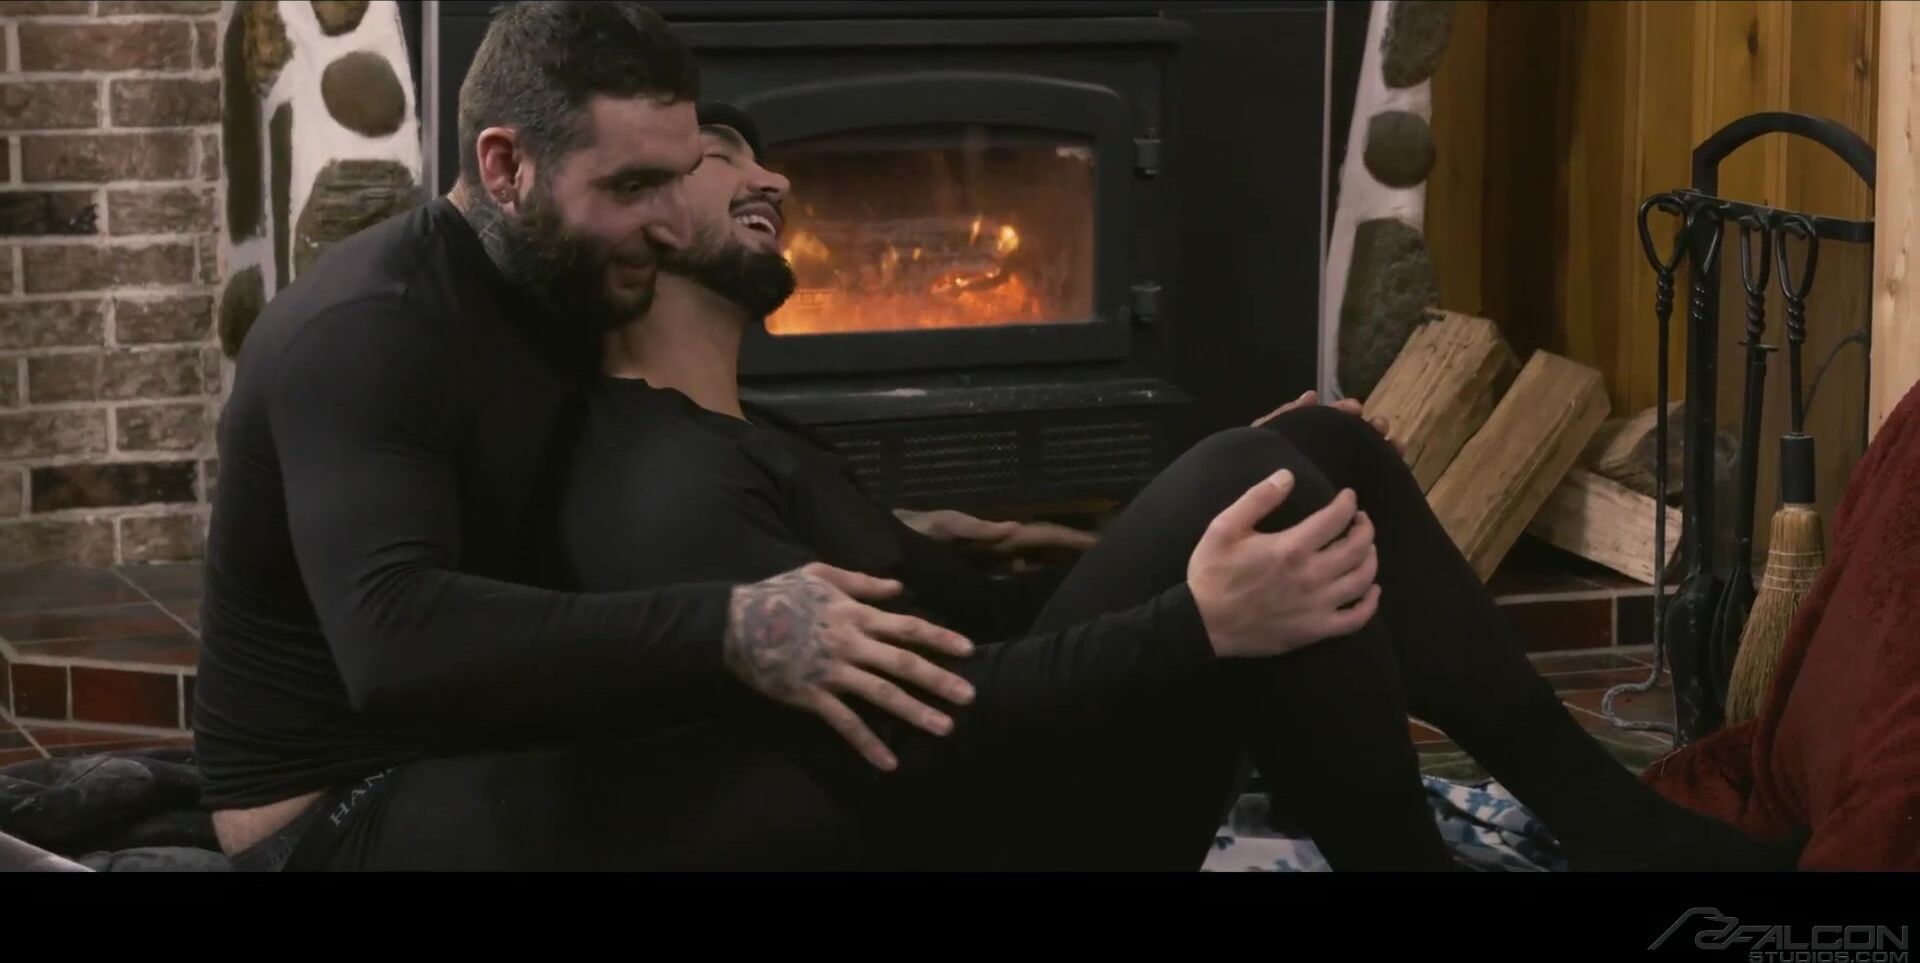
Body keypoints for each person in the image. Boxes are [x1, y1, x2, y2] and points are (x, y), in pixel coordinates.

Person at [190, 1, 1349, 873]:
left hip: (488, 730)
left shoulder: (558, 274)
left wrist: (905, 534)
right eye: (633, 185)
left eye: (677, 176)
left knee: (847, 748)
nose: (667, 221)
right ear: (505, 166)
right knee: (814, 792)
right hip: (340, 808)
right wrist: (734, 624)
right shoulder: (372, 332)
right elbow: (395, 645)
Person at [538, 104, 1811, 872]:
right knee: (1262, 489)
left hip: (1008, 777)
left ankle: (1608, 823)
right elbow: (908, 754)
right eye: (720, 159)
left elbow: (938, 636)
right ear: (641, 218)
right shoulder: (667, 482)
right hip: (973, 841)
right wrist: (1192, 619)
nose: (770, 178)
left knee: (1314, 451)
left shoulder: (744, 434)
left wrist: (1131, 544)